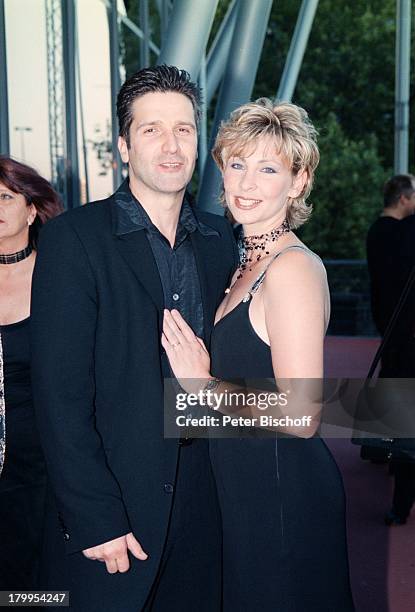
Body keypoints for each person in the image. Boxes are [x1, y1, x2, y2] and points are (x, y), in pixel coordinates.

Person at [30, 65, 237, 611]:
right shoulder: (74, 239)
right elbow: (59, 397)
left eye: (184, 129)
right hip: (114, 503)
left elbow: (280, 399)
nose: (172, 146)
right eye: (152, 130)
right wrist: (94, 515)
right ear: (124, 145)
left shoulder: (222, 242)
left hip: (208, 499)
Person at [162, 98, 355, 611]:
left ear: (298, 182)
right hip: (243, 486)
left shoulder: (290, 269)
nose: (246, 184)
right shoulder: (239, 260)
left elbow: (302, 414)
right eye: (237, 164)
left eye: (268, 168)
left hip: (282, 491)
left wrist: (201, 387)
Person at [0, 156, 62, 588]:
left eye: (5, 197)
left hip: (40, 463)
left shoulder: (60, 278)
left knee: (37, 587)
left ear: (32, 208)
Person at [366, 174, 415, 525]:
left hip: (393, 327)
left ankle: (380, 449)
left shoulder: (379, 232)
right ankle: (400, 498)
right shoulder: (400, 234)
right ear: (404, 197)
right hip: (406, 332)